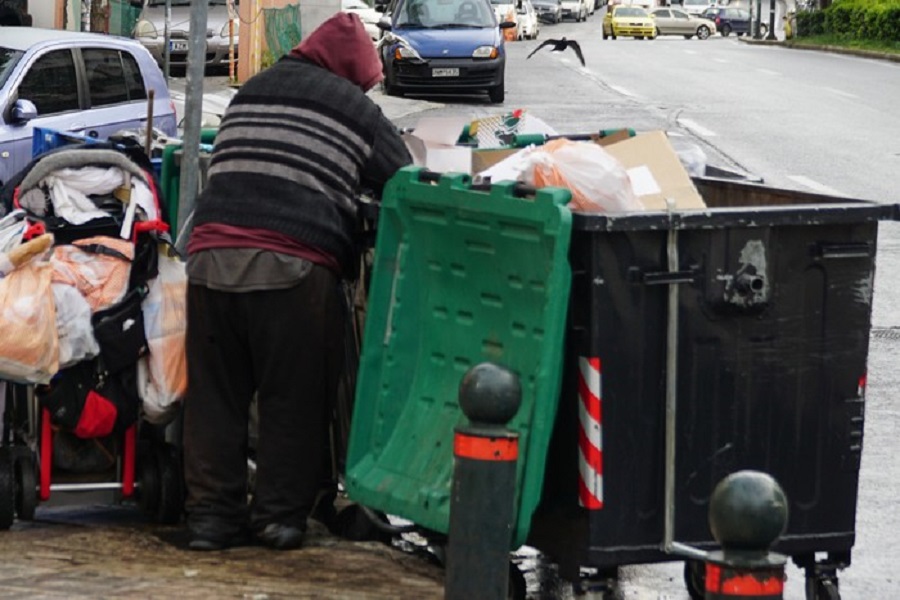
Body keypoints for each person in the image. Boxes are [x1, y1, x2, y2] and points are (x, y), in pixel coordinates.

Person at [181, 12, 412, 551]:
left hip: (210, 261)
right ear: (354, 70)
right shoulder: (355, 107)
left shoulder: (252, 89)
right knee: (294, 395)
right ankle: (278, 519)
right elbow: (401, 171)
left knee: (216, 398)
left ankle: (212, 520)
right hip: (292, 266)